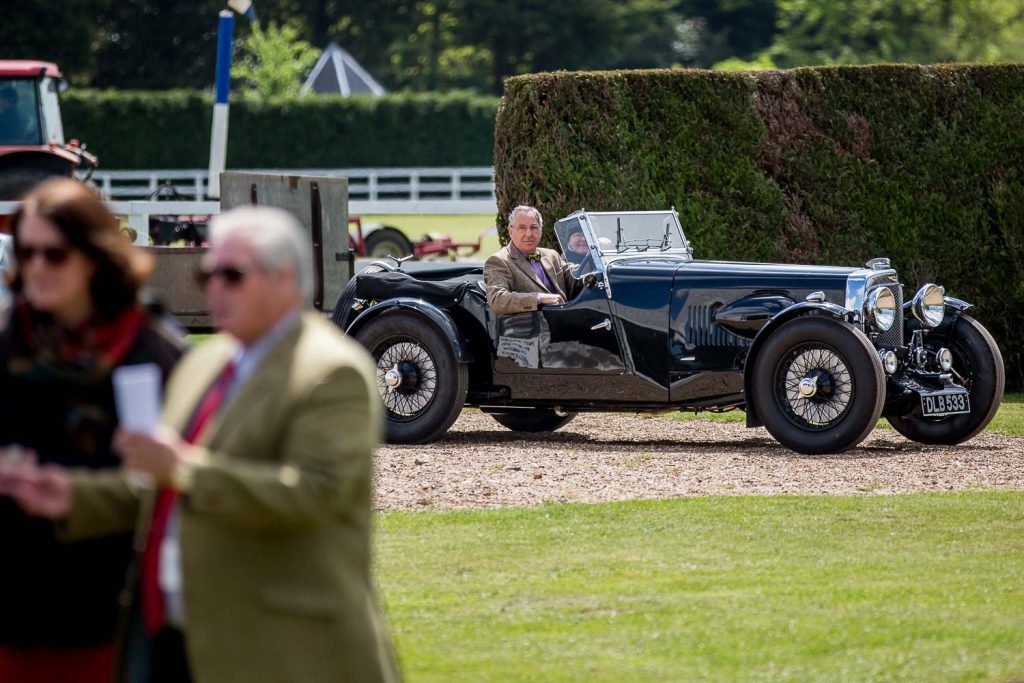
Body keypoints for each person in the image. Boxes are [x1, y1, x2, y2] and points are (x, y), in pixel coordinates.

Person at [0, 205, 400, 683]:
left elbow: (317, 493)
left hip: (286, 650)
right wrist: (71, 496)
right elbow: (157, 488)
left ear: (286, 279)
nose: (214, 288)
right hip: (179, 638)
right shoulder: (202, 365)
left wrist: (186, 469)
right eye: (207, 273)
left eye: (232, 275)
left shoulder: (331, 371)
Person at [0, 178, 184, 683]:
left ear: (94, 257)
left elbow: (169, 482)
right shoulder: (10, 340)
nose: (37, 266)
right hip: (14, 607)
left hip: (111, 609)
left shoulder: (147, 351)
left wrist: (74, 496)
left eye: (54, 254)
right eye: (28, 252)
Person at [484, 205, 582, 315]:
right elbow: (498, 300)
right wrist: (539, 298)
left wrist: (592, 269)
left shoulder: (551, 255)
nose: (529, 234)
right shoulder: (499, 260)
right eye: (522, 228)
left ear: (541, 230)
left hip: (566, 320)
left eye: (534, 228)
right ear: (510, 231)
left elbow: (574, 275)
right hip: (531, 328)